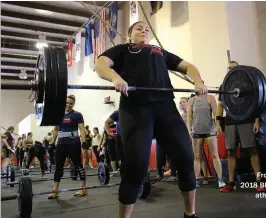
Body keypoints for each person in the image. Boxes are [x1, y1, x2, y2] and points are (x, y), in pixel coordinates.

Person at [95, 21, 206, 218]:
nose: (144, 31)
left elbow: (188, 66)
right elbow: (100, 63)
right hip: (135, 109)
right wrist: (115, 78)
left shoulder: (159, 52)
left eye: (147, 29)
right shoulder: (123, 50)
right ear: (129, 35)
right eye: (139, 28)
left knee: (186, 159)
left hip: (166, 109)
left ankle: (190, 214)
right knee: (136, 167)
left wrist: (198, 81)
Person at [216, 61, 265, 193]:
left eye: (233, 68)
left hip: (246, 119)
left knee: (252, 150)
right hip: (231, 121)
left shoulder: (248, 84)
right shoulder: (224, 86)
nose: (230, 70)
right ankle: (231, 183)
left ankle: (259, 181)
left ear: (238, 70)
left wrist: (256, 120)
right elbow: (220, 106)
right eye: (228, 68)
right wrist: (218, 123)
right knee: (230, 151)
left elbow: (255, 103)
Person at [48, 95, 88, 199]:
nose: (68, 105)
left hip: (74, 142)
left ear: (73, 104)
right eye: (66, 103)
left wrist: (84, 142)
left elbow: (82, 129)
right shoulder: (58, 114)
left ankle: (83, 188)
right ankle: (55, 190)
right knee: (58, 166)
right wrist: (52, 143)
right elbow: (55, 130)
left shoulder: (77, 115)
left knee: (78, 165)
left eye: (71, 103)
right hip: (61, 143)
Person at [188, 89, 226, 189]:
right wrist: (189, 129)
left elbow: (215, 112)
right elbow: (189, 116)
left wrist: (218, 125)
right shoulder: (191, 100)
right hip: (196, 131)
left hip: (210, 131)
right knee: (197, 157)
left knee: (215, 155)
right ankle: (196, 180)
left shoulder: (210, 98)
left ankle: (220, 180)